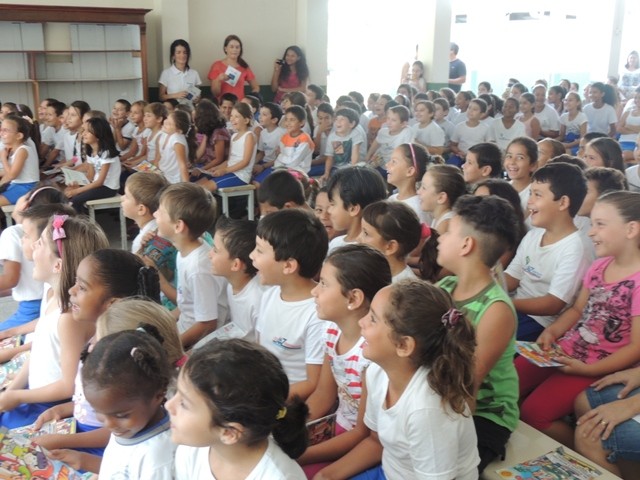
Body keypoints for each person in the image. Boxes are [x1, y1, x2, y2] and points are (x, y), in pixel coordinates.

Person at [518, 191, 640, 446]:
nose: (591, 232)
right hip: (564, 350)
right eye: (592, 223)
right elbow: (576, 310)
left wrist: (589, 370)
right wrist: (553, 332)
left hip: (599, 366)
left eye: (600, 224)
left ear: (631, 229)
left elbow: (636, 347)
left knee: (534, 414)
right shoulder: (599, 266)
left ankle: (580, 452)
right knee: (505, 385)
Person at [30, 253, 163, 463]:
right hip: (80, 434)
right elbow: (94, 405)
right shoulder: (96, 337)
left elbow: (117, 429)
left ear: (112, 303)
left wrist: (63, 440)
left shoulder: (119, 358)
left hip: (100, 451)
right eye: (75, 282)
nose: (71, 290)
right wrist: (60, 409)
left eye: (82, 287)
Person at [339, 280, 479, 478]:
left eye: (373, 319)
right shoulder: (376, 373)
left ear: (403, 345)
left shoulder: (426, 411)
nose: (361, 321)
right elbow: (375, 441)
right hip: (389, 472)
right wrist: (327, 475)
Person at [0, 215, 109, 429]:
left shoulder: (68, 318)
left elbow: (68, 386)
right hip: (33, 394)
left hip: (48, 406)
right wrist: (12, 391)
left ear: (58, 265)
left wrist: (19, 397)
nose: (33, 245)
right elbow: (38, 352)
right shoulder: (52, 296)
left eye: (40, 243)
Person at [437, 195, 520, 472]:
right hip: (441, 392)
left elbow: (468, 383)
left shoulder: (496, 309)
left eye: (448, 232)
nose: (439, 237)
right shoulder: (445, 287)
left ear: (466, 245)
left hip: (484, 414)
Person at [300, 245, 392, 478]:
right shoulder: (331, 331)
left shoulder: (370, 356)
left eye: (323, 283)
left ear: (353, 298)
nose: (314, 291)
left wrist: (300, 454)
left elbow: (364, 434)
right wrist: (290, 431)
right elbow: (323, 394)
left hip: (360, 444)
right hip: (337, 429)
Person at [167, 338, 308, 479]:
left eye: (184, 403)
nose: (168, 405)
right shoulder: (191, 451)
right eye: (176, 391)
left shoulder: (279, 476)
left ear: (229, 433)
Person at [505, 162, 592, 342]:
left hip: (539, 322)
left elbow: (552, 304)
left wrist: (503, 303)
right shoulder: (534, 235)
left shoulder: (574, 248)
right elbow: (512, 277)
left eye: (537, 195)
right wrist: (485, 290)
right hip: (515, 307)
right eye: (530, 193)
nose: (529, 201)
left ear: (563, 202)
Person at [74, 329, 175, 478]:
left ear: (158, 395)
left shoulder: (157, 462)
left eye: (121, 415)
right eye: (98, 412)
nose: (108, 424)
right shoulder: (128, 427)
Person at [250, 209, 328, 400]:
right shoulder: (270, 294)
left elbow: (312, 382)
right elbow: (261, 350)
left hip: (287, 400)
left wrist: (266, 400)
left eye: (259, 250)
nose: (251, 255)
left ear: (288, 266)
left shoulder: (317, 313)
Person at [154, 183, 227, 349]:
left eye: (160, 211)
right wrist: (161, 323)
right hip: (184, 328)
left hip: (198, 345)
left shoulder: (199, 268)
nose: (155, 214)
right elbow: (187, 305)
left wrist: (172, 348)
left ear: (178, 226)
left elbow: (207, 324)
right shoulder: (185, 252)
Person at [0, 186, 68, 334]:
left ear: (26, 204)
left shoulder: (12, 233)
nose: (25, 240)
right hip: (43, 304)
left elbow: (10, 279)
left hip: (31, 310)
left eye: (27, 236)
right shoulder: (56, 229)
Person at [208, 216, 264, 342]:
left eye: (215, 250)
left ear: (235, 264)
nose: (209, 254)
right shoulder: (231, 283)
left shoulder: (257, 298)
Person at [65, 116, 121, 213]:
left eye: (88, 131)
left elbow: (100, 182)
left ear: (99, 135)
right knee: (68, 194)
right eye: (84, 130)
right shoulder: (90, 152)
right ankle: (80, 219)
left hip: (108, 188)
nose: (84, 133)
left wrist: (77, 191)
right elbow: (90, 176)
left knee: (75, 200)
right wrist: (77, 184)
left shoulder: (106, 153)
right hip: (97, 185)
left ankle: (76, 222)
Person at [326, 166, 387, 254]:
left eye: (333, 204)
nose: (329, 210)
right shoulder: (335, 242)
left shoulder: (364, 251)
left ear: (353, 209)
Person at [197, 102, 256, 192]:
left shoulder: (249, 136)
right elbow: (229, 160)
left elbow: (245, 162)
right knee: (196, 186)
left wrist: (225, 170)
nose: (232, 119)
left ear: (246, 120)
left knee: (202, 189)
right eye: (231, 116)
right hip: (229, 171)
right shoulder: (234, 136)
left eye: (236, 116)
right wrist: (216, 168)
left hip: (240, 176)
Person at [359, 201, 421, 282]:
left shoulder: (403, 288)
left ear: (390, 247)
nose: (358, 238)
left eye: (366, 233)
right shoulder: (371, 271)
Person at [253, 105, 315, 184]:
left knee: (266, 183)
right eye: (286, 119)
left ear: (302, 122)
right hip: (282, 169)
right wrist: (281, 157)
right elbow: (278, 159)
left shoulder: (304, 139)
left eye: (292, 120)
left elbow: (293, 162)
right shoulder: (285, 137)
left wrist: (281, 156)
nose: (288, 123)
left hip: (298, 172)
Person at [387, 143, 434, 225]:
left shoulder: (418, 208)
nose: (387, 165)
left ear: (410, 171)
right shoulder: (392, 199)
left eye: (394, 161)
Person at [0, 115, 39, 206]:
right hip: (16, 185)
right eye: (1, 129)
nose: (1, 133)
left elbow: (11, 175)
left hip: (26, 187)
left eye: (5, 130)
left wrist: (3, 159)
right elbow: (7, 173)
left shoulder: (22, 150)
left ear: (19, 135)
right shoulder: (11, 150)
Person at [208, 34, 260, 101]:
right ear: (225, 49)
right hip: (223, 105)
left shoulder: (244, 67)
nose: (234, 49)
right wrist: (218, 80)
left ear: (240, 49)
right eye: (231, 47)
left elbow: (256, 87)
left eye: (237, 47)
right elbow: (215, 93)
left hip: (239, 105)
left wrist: (248, 99)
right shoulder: (217, 65)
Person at [365, 105, 415, 174]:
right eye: (388, 118)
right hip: (380, 164)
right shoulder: (383, 132)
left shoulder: (407, 132)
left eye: (393, 120)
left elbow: (406, 152)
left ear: (403, 124)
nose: (389, 122)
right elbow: (376, 143)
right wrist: (368, 156)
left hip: (396, 168)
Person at [418, 163, 466, 234]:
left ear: (441, 198)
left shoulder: (445, 225)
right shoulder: (438, 218)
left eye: (424, 188)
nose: (418, 192)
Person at [320, 107, 366, 181]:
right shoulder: (332, 137)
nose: (338, 122)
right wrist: (326, 173)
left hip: (354, 166)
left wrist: (352, 172)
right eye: (336, 119)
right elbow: (330, 157)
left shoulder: (356, 134)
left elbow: (355, 155)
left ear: (352, 124)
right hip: (338, 167)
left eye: (342, 119)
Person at [159, 39, 202, 106]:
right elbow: (161, 97)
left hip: (189, 108)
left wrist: (197, 99)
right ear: (173, 56)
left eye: (185, 52)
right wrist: (176, 95)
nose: (182, 55)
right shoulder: (166, 73)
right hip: (173, 108)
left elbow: (198, 95)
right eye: (178, 52)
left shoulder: (194, 73)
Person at [449, 98, 491, 167]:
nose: (470, 111)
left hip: (477, 159)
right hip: (460, 158)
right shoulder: (459, 126)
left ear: (482, 114)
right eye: (469, 108)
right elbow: (453, 145)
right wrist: (459, 152)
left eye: (475, 109)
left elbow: (488, 147)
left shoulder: (485, 128)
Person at [157, 109, 195, 184]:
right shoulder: (164, 134)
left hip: (173, 180)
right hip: (163, 174)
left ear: (179, 131)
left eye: (169, 124)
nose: (165, 122)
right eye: (167, 119)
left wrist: (186, 185)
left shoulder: (177, 139)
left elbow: (182, 165)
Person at [504, 136, 538, 213]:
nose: (512, 162)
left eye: (520, 158)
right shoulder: (503, 188)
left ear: (533, 165)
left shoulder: (535, 194)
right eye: (509, 156)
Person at [253, 102, 285, 176]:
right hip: (264, 162)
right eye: (260, 114)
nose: (260, 117)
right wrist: (252, 164)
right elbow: (262, 153)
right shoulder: (263, 132)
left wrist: (263, 166)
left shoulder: (281, 134)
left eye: (264, 114)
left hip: (275, 165)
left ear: (274, 120)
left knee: (256, 182)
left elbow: (281, 158)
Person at [617, 87, 640, 163]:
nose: (637, 100)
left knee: (622, 156)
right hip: (622, 141)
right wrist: (636, 130)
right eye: (635, 98)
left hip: (636, 144)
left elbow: (623, 127)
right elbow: (619, 128)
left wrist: (628, 126)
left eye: (639, 98)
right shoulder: (628, 111)